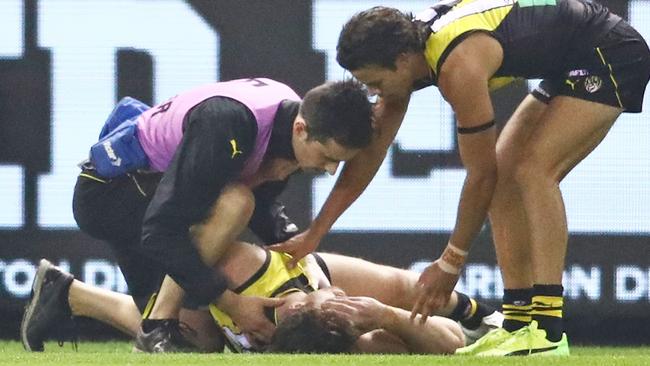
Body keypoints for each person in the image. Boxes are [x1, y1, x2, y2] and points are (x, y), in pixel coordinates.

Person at [270, 0, 650, 356]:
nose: (373, 93)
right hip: (569, 61)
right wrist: (317, 231)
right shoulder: (408, 53)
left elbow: (479, 176)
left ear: (402, 62)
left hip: (609, 53)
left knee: (533, 170)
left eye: (375, 83)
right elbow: (370, 155)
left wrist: (451, 263)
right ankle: (518, 324)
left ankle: (548, 331)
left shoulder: (458, 67)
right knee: (507, 174)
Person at [56, 78, 374, 352]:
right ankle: (156, 325)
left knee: (202, 339)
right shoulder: (227, 124)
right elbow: (161, 231)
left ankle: (62, 293)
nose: (331, 170)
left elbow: (263, 207)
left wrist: (307, 265)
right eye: (328, 157)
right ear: (301, 130)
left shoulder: (292, 116)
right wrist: (232, 304)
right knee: (236, 202)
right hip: (108, 198)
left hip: (152, 197)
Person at [21, 221, 503, 353]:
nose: (341, 299)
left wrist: (388, 315)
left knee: (200, 340)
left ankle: (69, 293)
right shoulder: (246, 266)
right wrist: (223, 297)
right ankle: (71, 293)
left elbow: (448, 340)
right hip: (188, 273)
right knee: (180, 331)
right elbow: (181, 247)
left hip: (219, 300)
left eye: (333, 299)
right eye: (336, 299)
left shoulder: (336, 324)